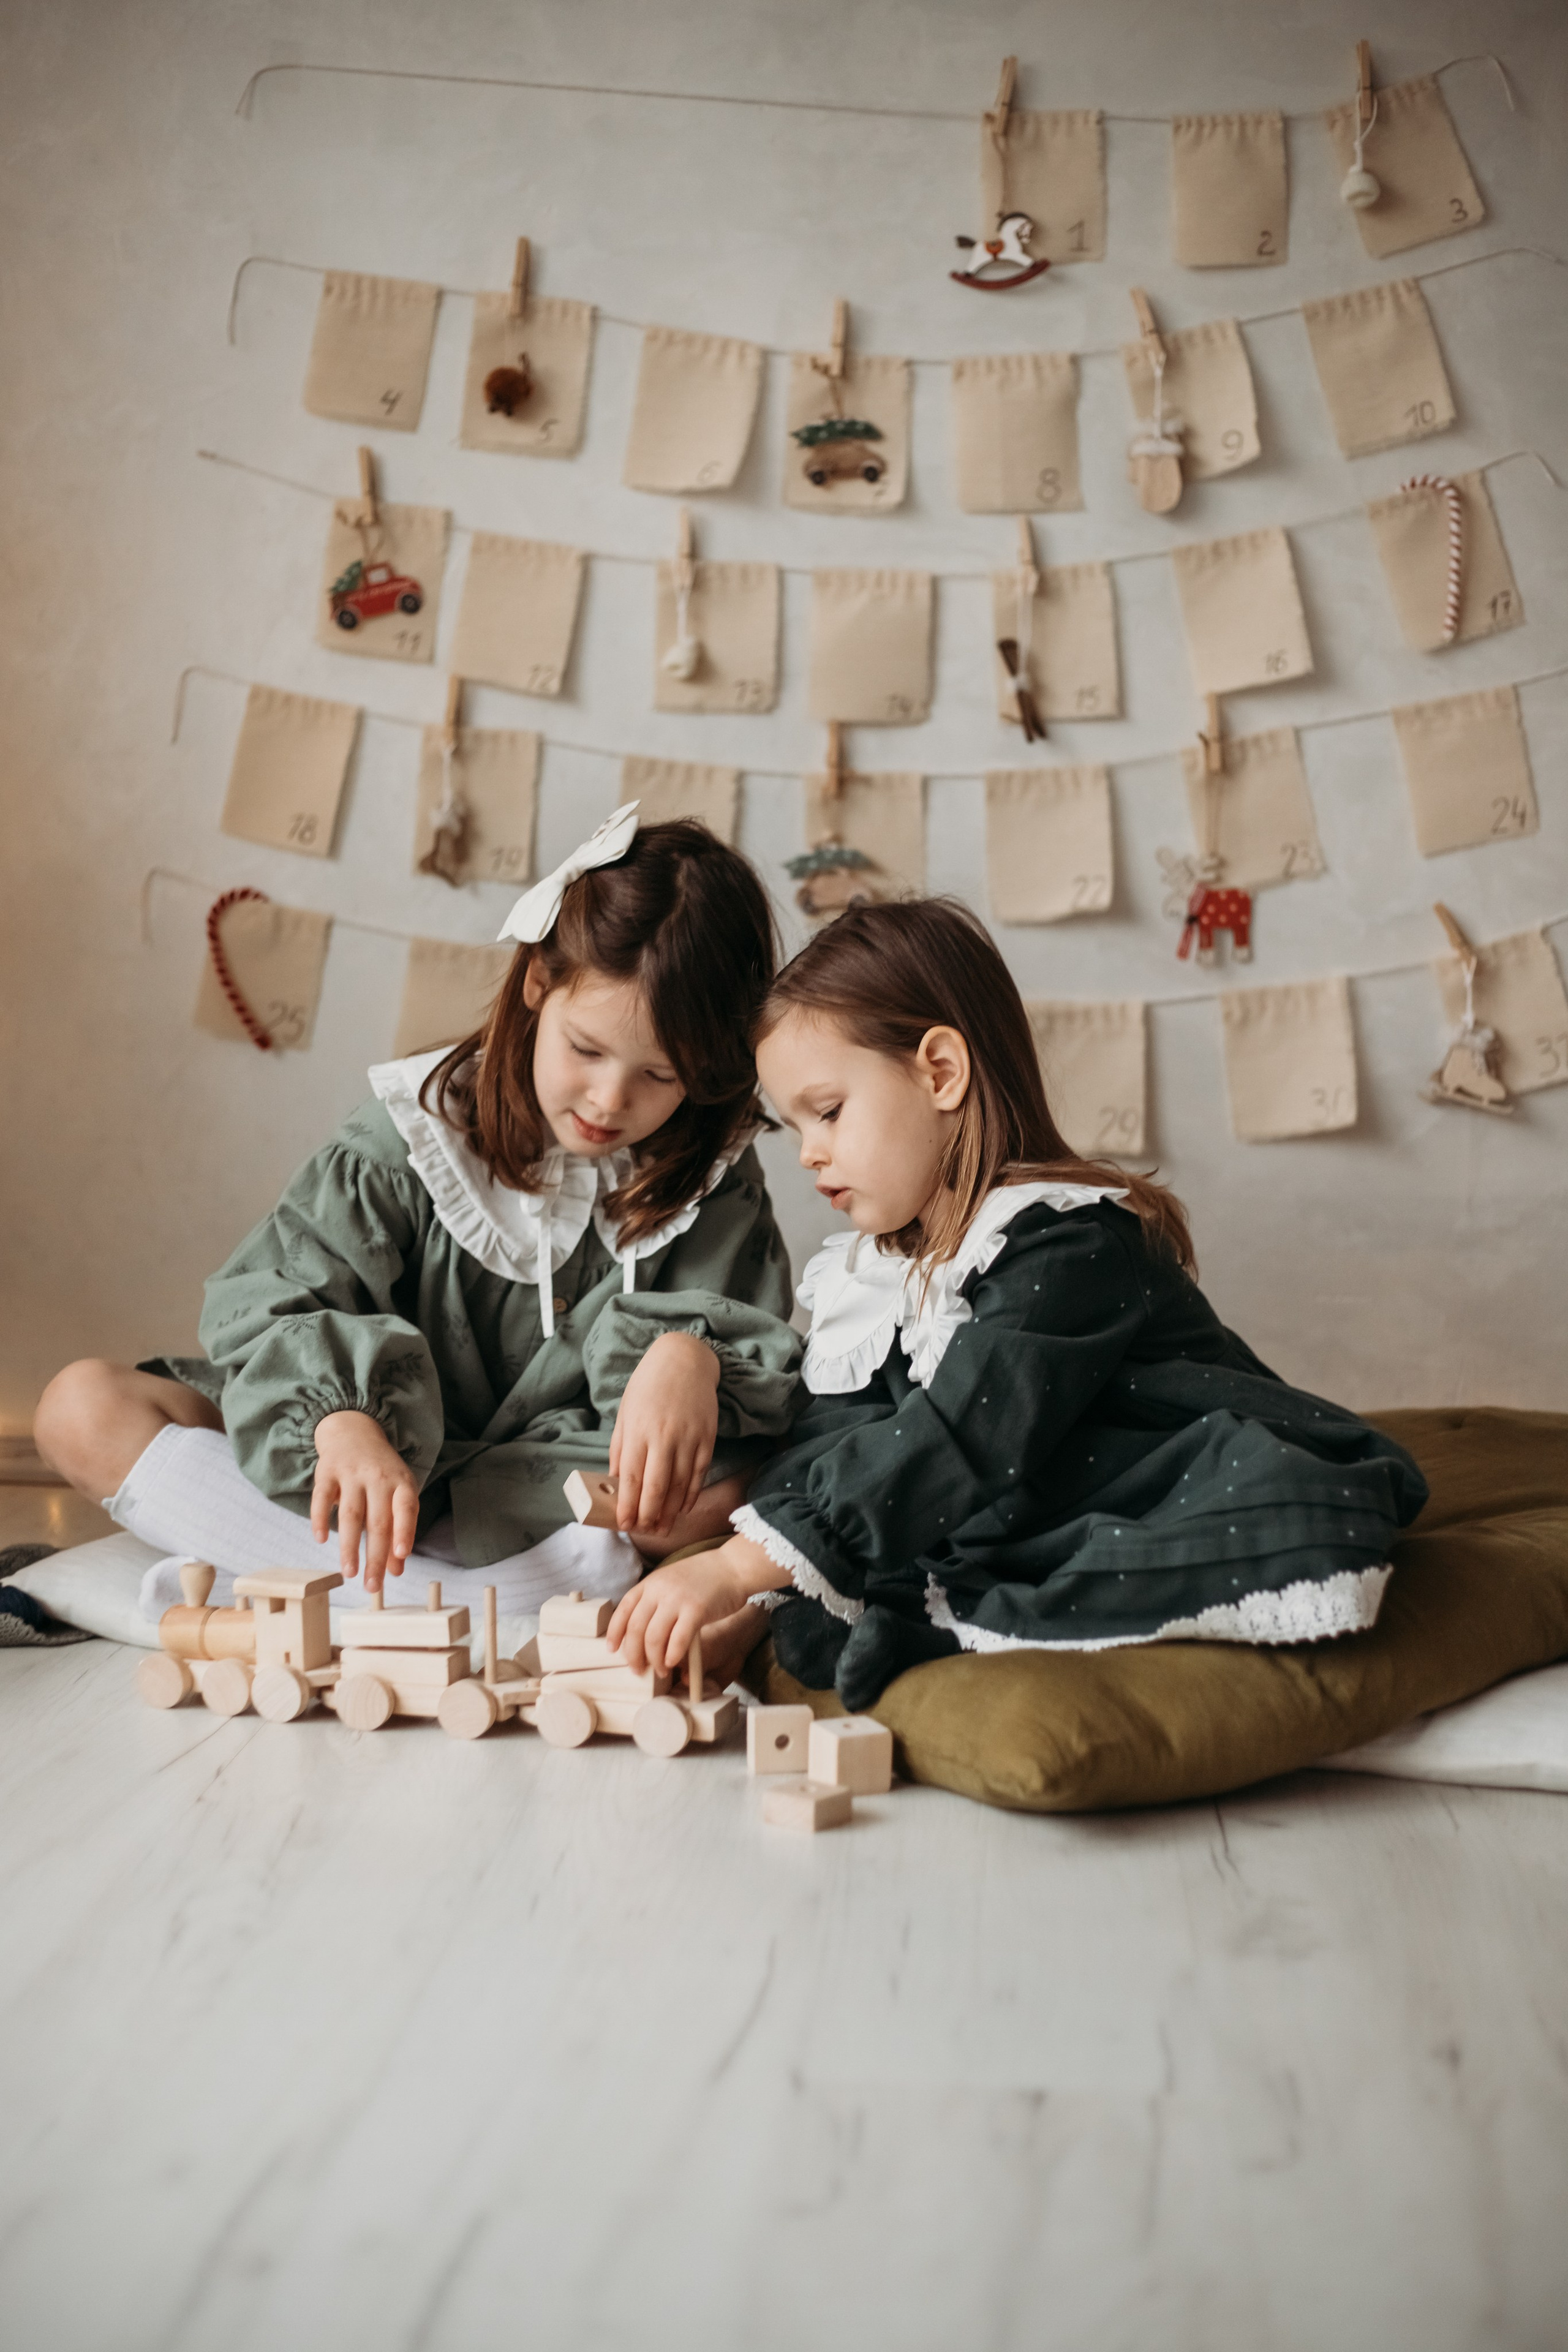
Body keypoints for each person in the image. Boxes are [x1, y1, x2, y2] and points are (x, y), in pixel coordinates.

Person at [608, 897, 1428, 1711]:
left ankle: (945, 1618)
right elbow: (845, 1432)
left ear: (941, 1072)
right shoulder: (880, 1266)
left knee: (1263, 1516)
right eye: (796, 1128)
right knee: (861, 1559)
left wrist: (739, 1568)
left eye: (828, 1111)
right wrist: (749, 1552)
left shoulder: (1068, 1242)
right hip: (1016, 1484)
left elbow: (960, 1433)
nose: (812, 1154)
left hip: (1143, 1466)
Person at [37, 809, 802, 1602]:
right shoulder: (414, 1134)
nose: (611, 1099)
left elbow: (760, 1368)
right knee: (79, 1408)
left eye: (662, 1076)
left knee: (738, 1490)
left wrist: (690, 1356)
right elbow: (272, 1302)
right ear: (539, 982)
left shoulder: (714, 1175)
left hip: (556, 1485)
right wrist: (340, 1421)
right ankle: (465, 1599)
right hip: (376, 1476)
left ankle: (331, 1586)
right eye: (587, 1049)